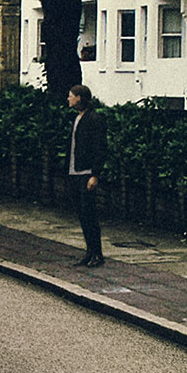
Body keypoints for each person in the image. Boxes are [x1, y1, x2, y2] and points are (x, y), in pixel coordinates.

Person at [66, 83, 106, 267]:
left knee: (90, 214)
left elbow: (99, 148)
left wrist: (95, 174)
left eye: (71, 95)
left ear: (79, 98)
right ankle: (89, 252)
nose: (68, 98)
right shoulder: (77, 118)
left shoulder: (94, 119)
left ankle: (97, 253)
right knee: (82, 214)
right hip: (75, 172)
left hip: (87, 172)